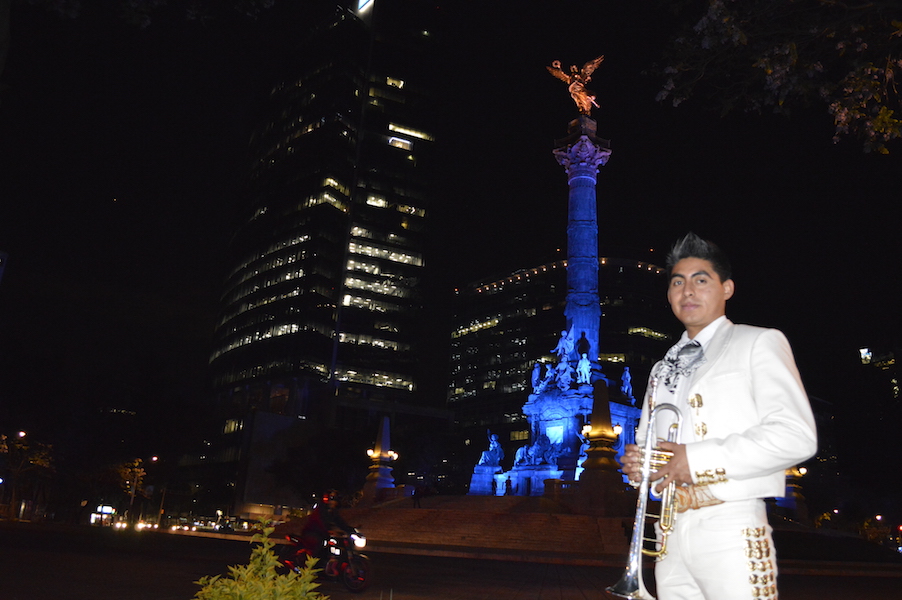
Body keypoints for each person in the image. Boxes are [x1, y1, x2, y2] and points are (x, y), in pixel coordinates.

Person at [618, 232, 817, 600]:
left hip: (731, 525)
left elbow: (796, 435)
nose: (687, 290)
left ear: (727, 288)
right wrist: (640, 466)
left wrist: (694, 461)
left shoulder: (757, 341)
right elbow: (653, 446)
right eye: (677, 282)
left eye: (701, 280)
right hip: (670, 533)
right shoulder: (661, 369)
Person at [299, 490, 352, 575]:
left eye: (334, 499)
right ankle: (309, 567)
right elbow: (320, 522)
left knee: (336, 544)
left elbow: (340, 522)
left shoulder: (333, 512)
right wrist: (328, 531)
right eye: (331, 499)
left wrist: (351, 530)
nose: (333, 502)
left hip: (323, 533)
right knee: (319, 544)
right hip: (313, 532)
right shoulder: (321, 510)